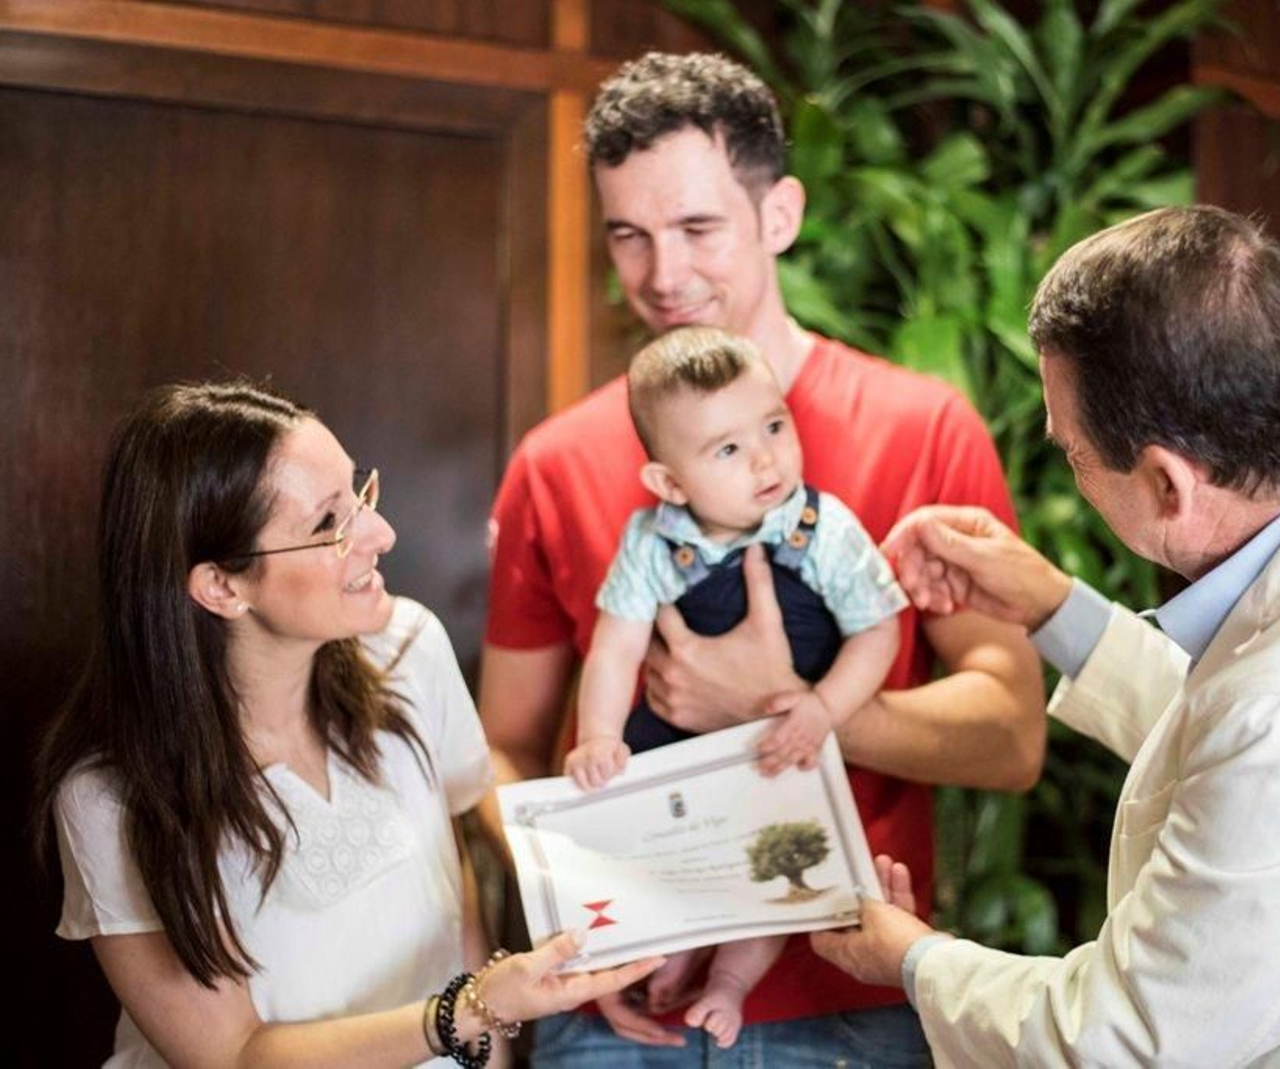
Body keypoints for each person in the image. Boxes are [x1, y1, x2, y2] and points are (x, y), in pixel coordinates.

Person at [813, 205, 1280, 1065]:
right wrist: (1054, 608)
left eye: (1072, 455)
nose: (1068, 464)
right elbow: (1239, 748)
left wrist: (915, 959)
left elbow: (1123, 1037)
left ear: (1168, 483)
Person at [479, 51, 1045, 1063]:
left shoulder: (925, 428)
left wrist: (778, 708)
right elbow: (504, 747)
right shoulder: (553, 461)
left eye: (697, 228)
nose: (662, 275)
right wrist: (585, 917)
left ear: (777, 214)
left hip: (850, 1001)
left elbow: (1009, 736)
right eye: (629, 235)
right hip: (611, 1011)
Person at [33, 381, 661, 1067]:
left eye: (360, 492)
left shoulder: (408, 648)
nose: (380, 534)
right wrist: (472, 1009)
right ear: (222, 586)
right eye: (330, 522)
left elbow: (456, 877)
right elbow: (234, 1054)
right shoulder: (111, 797)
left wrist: (499, 1028)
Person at [566, 326, 907, 1048]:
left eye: (775, 426)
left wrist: (822, 708)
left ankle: (729, 982)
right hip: (673, 746)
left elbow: (880, 631)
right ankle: (673, 948)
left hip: (779, 744)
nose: (765, 457)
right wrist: (597, 734)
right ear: (669, 483)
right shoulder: (652, 540)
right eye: (727, 448)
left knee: (779, 869)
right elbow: (615, 646)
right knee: (656, 850)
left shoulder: (823, 528)